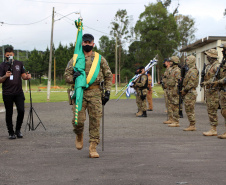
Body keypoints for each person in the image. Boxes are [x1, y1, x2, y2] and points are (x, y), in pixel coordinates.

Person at [64, 33, 113, 158]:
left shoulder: (99, 58)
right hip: (80, 93)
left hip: (96, 92)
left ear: (93, 44)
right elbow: (66, 76)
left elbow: (108, 75)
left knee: (95, 121)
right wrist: (72, 78)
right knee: (78, 120)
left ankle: (93, 147)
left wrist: (107, 92)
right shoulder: (75, 59)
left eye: (89, 42)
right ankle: (79, 133)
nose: (87, 44)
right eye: (85, 42)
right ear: (82, 44)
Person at [0, 47, 31, 139]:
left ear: (13, 54)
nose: (9, 55)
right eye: (7, 54)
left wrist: (27, 76)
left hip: (18, 92)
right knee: (9, 113)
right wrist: (6, 76)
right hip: (7, 93)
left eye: (11, 53)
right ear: (5, 55)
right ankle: (11, 132)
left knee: (21, 110)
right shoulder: (2, 65)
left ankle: (18, 130)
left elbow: (23, 76)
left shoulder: (19, 64)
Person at [209, 46, 226, 139]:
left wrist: (218, 82)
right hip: (223, 91)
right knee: (224, 111)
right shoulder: (223, 63)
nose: (223, 51)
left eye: (224, 50)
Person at [201, 49, 220, 136]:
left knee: (212, 110)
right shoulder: (209, 66)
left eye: (208, 55)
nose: (207, 57)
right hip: (209, 91)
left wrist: (207, 82)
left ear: (212, 56)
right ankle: (212, 128)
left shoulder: (217, 66)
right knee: (210, 110)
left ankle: (214, 129)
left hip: (214, 91)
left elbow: (217, 79)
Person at [181, 55, 199, 131]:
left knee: (190, 109)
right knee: (188, 109)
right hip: (189, 92)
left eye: (188, 60)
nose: (186, 62)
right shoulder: (190, 70)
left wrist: (184, 90)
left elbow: (191, 83)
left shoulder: (193, 71)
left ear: (191, 61)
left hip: (190, 92)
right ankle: (191, 124)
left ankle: (192, 125)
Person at [164, 56, 181, 127]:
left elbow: (178, 81)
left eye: (171, 61)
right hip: (169, 89)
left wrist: (176, 90)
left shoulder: (177, 70)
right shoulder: (171, 69)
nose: (169, 62)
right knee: (171, 105)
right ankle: (172, 119)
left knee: (175, 106)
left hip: (174, 90)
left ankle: (176, 121)